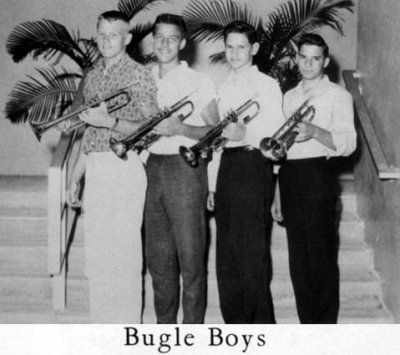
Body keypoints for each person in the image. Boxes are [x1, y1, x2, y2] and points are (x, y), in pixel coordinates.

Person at [66, 10, 158, 323]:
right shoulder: (91, 76)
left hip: (124, 166)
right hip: (96, 167)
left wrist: (111, 121)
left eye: (113, 34)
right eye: (101, 34)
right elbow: (87, 132)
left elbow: (152, 125)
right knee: (97, 253)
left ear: (127, 38)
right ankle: (101, 325)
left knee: (124, 253)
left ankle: (127, 327)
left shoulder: (139, 73)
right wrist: (76, 175)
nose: (106, 41)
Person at [273, 33, 356, 323]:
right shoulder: (289, 96)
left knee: (321, 261)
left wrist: (315, 132)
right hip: (290, 177)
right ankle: (306, 328)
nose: (308, 64)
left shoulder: (338, 95)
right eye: (303, 57)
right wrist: (278, 193)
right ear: (296, 59)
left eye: (315, 58)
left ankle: (325, 331)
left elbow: (348, 143)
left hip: (320, 175)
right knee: (299, 262)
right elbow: (280, 149)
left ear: (326, 61)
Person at [207, 20, 285, 324]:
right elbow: (217, 141)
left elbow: (276, 137)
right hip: (227, 168)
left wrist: (245, 135)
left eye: (241, 47)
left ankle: (262, 330)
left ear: (254, 49)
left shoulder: (266, 85)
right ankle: (235, 328)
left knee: (251, 255)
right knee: (226, 257)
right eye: (229, 46)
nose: (235, 53)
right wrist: (213, 184)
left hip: (254, 167)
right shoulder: (224, 88)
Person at [144, 13, 218, 324]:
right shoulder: (142, 78)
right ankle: (164, 330)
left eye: (171, 38)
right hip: (148, 170)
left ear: (183, 43)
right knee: (159, 263)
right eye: (159, 36)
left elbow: (216, 131)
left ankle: (192, 333)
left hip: (185, 168)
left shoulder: (199, 82)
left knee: (190, 260)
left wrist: (181, 128)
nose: (164, 43)